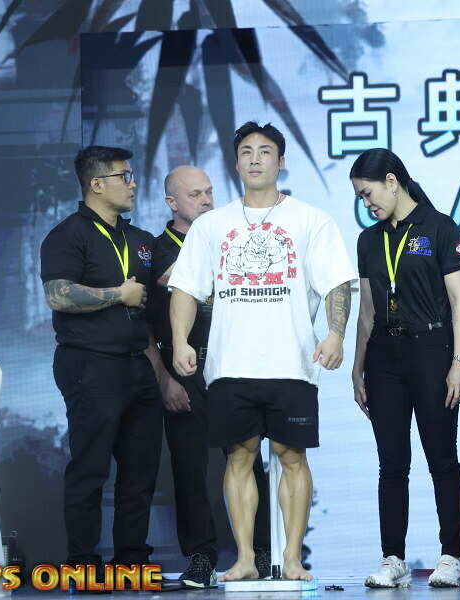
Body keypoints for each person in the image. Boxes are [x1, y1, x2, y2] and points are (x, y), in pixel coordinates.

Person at [168, 121, 357, 582]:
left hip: (291, 362)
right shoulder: (211, 225)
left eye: (265, 151)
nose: (255, 159)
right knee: (239, 457)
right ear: (236, 163)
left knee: (292, 457)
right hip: (230, 364)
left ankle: (291, 558)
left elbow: (336, 283)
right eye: (247, 151)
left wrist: (335, 335)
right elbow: (186, 288)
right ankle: (246, 559)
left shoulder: (311, 220)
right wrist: (179, 341)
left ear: (281, 161)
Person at [40, 146, 163, 588]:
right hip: (89, 364)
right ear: (96, 184)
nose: (133, 184)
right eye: (124, 176)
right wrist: (118, 294)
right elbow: (57, 295)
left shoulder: (140, 239)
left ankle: (132, 564)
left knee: (140, 472)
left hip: (137, 365)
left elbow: (168, 286)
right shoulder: (68, 235)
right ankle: (84, 565)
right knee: (90, 469)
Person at [350, 148, 460, 589]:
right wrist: (358, 368)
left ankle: (451, 557)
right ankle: (393, 559)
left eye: (368, 193)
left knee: (442, 458)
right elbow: (366, 310)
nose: (367, 204)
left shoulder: (440, 228)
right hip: (384, 355)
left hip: (433, 349)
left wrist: (459, 362)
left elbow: (459, 300)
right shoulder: (368, 239)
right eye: (360, 198)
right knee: (391, 463)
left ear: (392, 180)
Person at [148, 166, 272, 587]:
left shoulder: (233, 238)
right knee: (190, 468)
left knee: (249, 459)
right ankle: (201, 557)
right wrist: (165, 379)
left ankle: (260, 552)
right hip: (185, 369)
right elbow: (149, 321)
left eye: (209, 192)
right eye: (195, 194)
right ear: (171, 202)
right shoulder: (157, 251)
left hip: (235, 365)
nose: (205, 200)